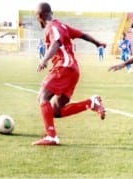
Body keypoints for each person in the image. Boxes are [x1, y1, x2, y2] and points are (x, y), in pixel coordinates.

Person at [33, 2, 106, 145]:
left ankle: (51, 136)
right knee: (55, 111)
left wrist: (44, 60)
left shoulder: (52, 27)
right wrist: (97, 43)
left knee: (43, 96)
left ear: (39, 16)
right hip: (73, 71)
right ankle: (91, 103)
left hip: (64, 67)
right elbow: (82, 35)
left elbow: (57, 43)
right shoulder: (63, 26)